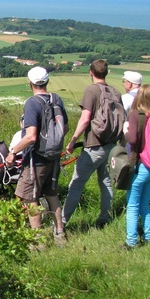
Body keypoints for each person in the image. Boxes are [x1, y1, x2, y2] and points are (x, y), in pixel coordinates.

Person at [6, 67, 69, 245]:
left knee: (30, 197)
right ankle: (60, 235)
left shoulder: (32, 103)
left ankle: (37, 241)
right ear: (47, 81)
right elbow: (64, 128)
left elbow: (31, 136)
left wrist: (13, 152)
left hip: (36, 159)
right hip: (54, 156)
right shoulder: (57, 99)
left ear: (30, 83)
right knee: (51, 195)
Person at [62, 59, 123, 228]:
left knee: (76, 184)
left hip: (94, 146)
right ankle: (104, 219)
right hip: (112, 145)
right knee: (106, 182)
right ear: (107, 72)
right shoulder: (115, 92)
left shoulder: (91, 90)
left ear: (91, 72)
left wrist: (73, 139)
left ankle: (61, 224)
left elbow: (85, 118)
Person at [124, 84, 150, 248]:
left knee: (132, 205)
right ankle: (149, 236)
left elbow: (132, 140)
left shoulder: (136, 115)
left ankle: (131, 241)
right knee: (145, 203)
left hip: (140, 165)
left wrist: (125, 130)